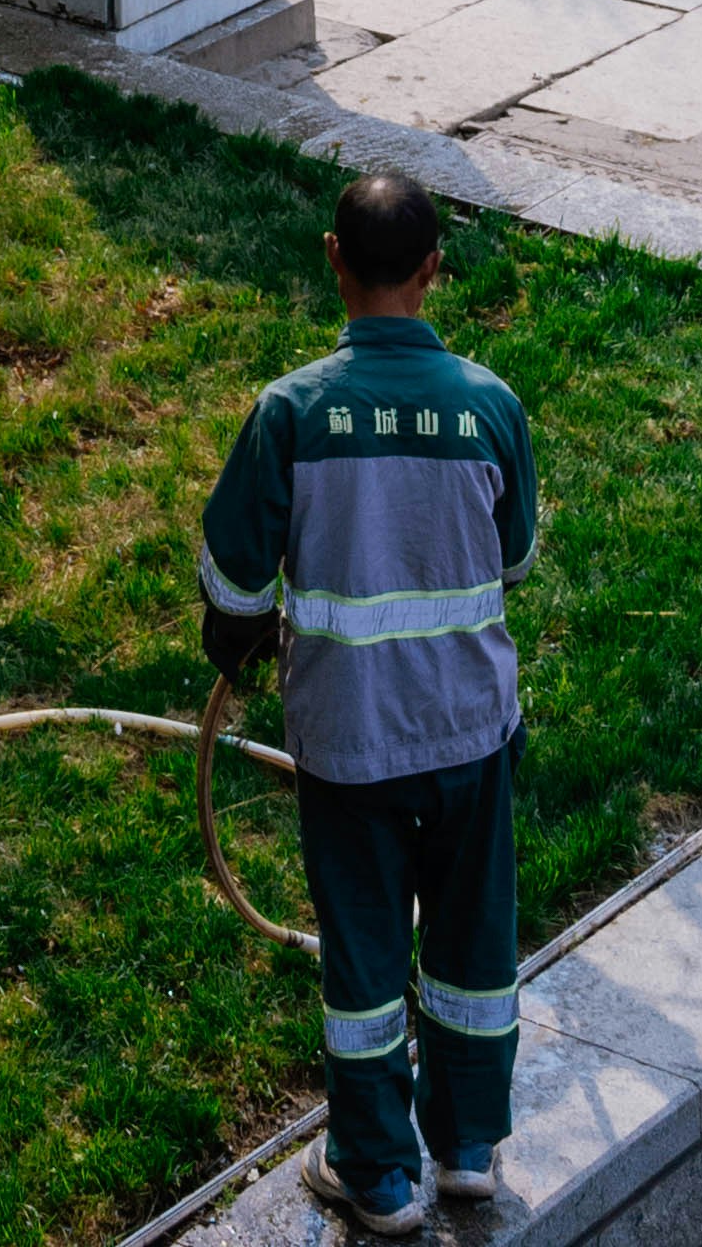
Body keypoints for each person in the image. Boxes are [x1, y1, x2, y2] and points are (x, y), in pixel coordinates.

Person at [197, 166, 537, 1240]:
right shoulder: (489, 406)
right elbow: (516, 554)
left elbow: (234, 581)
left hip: (349, 743)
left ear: (332, 260)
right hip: (473, 734)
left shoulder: (290, 412)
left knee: (363, 961)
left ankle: (377, 1177)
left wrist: (241, 644)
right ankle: (471, 1149)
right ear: (435, 270)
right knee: (473, 947)